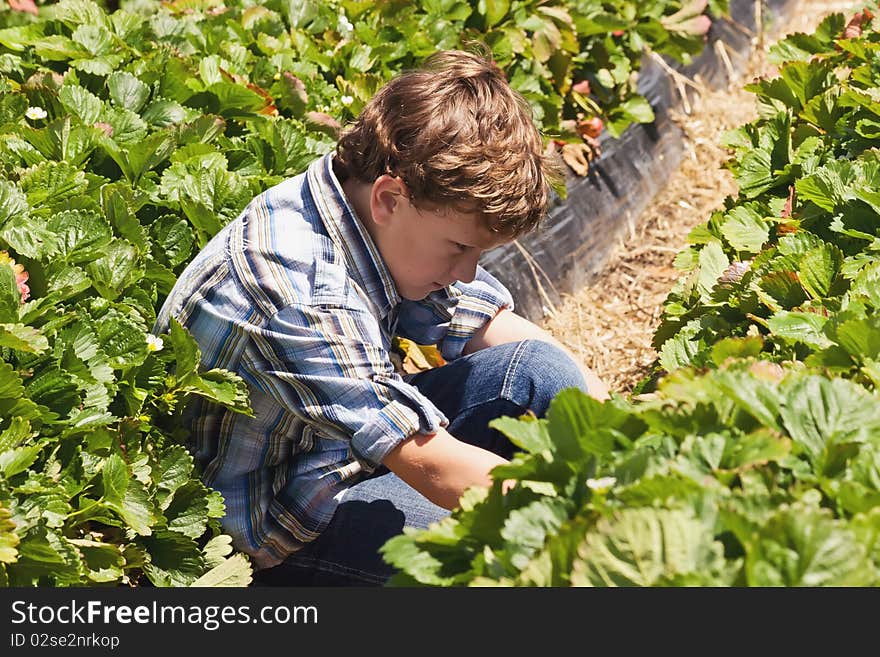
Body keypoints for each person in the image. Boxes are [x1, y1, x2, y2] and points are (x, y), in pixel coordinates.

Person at [153, 47, 610, 586]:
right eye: (460, 248)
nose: (466, 273)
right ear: (390, 199)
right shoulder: (299, 292)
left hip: (332, 451)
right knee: (472, 555)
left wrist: (627, 436)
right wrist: (604, 528)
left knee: (538, 368)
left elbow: (487, 321)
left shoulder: (371, 212)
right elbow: (436, 466)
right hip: (280, 530)